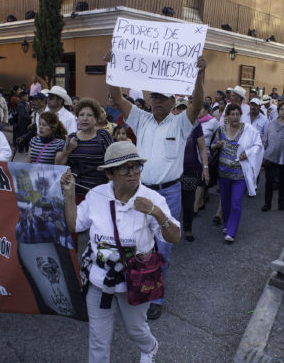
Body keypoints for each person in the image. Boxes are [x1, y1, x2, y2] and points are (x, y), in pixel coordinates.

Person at [105, 51, 206, 320]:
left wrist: (200, 73)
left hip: (170, 193)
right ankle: (133, 285)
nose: (157, 101)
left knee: (163, 246)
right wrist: (112, 66)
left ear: (173, 101)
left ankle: (156, 295)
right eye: (154, 97)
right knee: (135, 242)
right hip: (140, 190)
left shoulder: (182, 122)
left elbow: (197, 103)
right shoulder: (140, 119)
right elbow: (116, 98)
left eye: (162, 97)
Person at [61, 141, 180, 363]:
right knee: (98, 339)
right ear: (110, 174)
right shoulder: (96, 195)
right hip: (99, 280)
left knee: (135, 329)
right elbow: (74, 224)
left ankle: (150, 347)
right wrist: (69, 195)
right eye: (125, 168)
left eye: (136, 166)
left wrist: (156, 213)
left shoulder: (152, 198)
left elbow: (174, 237)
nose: (133, 173)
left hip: (135, 279)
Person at [211, 104, 263, 243]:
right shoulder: (221, 130)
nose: (234, 117)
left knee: (236, 202)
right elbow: (212, 145)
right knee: (226, 202)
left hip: (239, 174)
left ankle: (231, 232)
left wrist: (248, 153)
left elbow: (258, 145)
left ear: (241, 115)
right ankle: (227, 224)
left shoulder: (248, 129)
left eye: (237, 114)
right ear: (227, 116)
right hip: (223, 173)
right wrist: (216, 145)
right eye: (232, 114)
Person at [56, 98, 113, 202]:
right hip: (74, 193)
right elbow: (58, 164)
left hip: (99, 193)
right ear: (77, 118)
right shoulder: (72, 137)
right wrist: (68, 150)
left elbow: (114, 161)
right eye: (81, 115)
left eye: (89, 115)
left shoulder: (103, 135)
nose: (85, 118)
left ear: (96, 118)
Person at [173, 98, 208, 242]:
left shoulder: (195, 124)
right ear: (174, 110)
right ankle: (172, 231)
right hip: (171, 173)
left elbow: (202, 148)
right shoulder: (169, 124)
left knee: (188, 203)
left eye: (184, 108)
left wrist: (205, 168)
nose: (181, 111)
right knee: (172, 204)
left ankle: (187, 229)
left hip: (190, 169)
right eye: (179, 108)